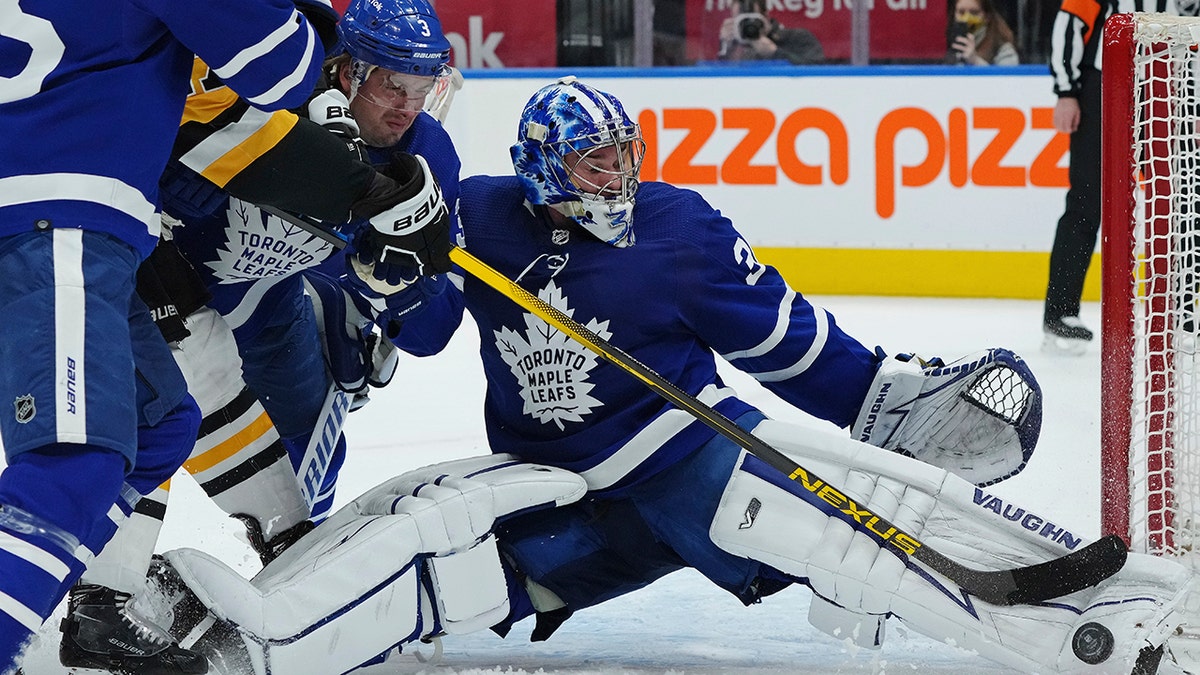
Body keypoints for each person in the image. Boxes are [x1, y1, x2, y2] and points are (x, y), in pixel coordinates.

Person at [144, 77, 1195, 675]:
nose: (619, 179)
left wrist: (881, 398)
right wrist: (391, 280)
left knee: (855, 535)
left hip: (685, 455)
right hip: (561, 482)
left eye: (624, 157)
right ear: (549, 168)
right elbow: (421, 334)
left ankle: (1100, 630)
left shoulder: (681, 228)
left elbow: (790, 345)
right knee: (433, 553)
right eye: (597, 165)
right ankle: (247, 642)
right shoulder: (490, 219)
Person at [52, 0, 464, 672]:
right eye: (393, 84)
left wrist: (394, 288)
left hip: (268, 309)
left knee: (297, 491)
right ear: (345, 71)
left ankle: (299, 579)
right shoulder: (259, 85)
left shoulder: (424, 156)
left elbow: (431, 330)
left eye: (424, 89)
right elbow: (153, 146)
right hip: (148, 267)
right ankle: (102, 596)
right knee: (157, 404)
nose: (408, 108)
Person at [0, 0, 330, 671]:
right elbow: (281, 67)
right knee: (75, 459)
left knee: (160, 423)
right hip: (54, 212)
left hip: (73, 218)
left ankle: (59, 592)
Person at [1043, 0, 1193, 353]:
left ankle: (1184, 314)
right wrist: (1067, 92)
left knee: (1181, 200)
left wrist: (1194, 101)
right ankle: (1060, 314)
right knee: (1086, 200)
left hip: (1171, 86)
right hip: (1108, 85)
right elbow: (1070, 23)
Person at [717, 0, 824, 65]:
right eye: (740, 20)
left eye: (753, 19)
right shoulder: (737, 49)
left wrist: (775, 53)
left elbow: (819, 70)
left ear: (766, 17)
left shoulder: (798, 38)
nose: (748, 26)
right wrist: (726, 48)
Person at [944, 0, 1019, 65]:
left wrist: (975, 61)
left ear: (987, 17)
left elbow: (1007, 79)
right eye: (961, 12)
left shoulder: (1003, 50)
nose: (966, 18)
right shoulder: (948, 44)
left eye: (974, 13)